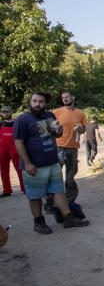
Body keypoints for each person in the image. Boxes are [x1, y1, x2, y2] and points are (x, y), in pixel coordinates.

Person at [13, 92, 89, 234]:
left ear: (45, 103)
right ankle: (39, 223)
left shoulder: (50, 116)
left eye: (41, 101)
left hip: (52, 162)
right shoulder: (23, 119)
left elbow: (56, 136)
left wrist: (58, 132)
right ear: (30, 102)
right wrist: (27, 163)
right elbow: (18, 142)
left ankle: (68, 218)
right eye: (34, 101)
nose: (37, 104)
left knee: (58, 191)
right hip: (35, 165)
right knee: (35, 195)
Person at [50, 90, 86, 209]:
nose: (65, 99)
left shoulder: (80, 113)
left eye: (67, 97)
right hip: (59, 147)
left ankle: (69, 202)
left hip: (73, 148)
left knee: (70, 178)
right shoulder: (56, 112)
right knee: (54, 176)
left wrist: (81, 128)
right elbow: (49, 127)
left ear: (73, 97)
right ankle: (49, 203)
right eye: (63, 97)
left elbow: (83, 129)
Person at [0, 106, 24, 197]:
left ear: (11, 112)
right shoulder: (1, 124)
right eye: (3, 112)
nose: (5, 114)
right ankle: (7, 190)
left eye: (7, 112)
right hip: (2, 150)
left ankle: (24, 188)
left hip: (15, 148)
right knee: (3, 169)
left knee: (19, 168)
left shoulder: (17, 123)